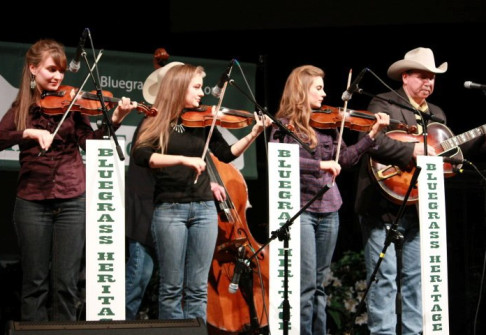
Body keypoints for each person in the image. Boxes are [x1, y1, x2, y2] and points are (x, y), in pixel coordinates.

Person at [0, 39, 135, 321]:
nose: (57, 76)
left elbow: (90, 141)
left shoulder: (73, 103)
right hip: (32, 200)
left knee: (66, 283)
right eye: (51, 69)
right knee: (35, 283)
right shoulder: (22, 108)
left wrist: (114, 119)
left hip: (71, 199)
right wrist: (28, 133)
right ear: (33, 69)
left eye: (61, 71)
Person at [132, 63, 271, 321]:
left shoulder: (202, 120)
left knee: (197, 290)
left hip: (204, 209)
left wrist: (254, 133)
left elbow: (225, 154)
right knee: (171, 289)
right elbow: (142, 156)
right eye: (196, 87)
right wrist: (184, 160)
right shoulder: (155, 119)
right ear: (178, 87)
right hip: (170, 209)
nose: (201, 93)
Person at [268, 65, 389, 335]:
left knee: (320, 285)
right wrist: (320, 165)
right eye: (318, 88)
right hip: (301, 210)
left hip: (330, 208)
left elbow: (344, 160)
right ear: (301, 91)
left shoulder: (328, 124)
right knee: (305, 285)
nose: (324, 94)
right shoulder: (283, 127)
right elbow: (281, 160)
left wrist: (371, 135)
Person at [354, 47, 452, 334]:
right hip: (382, 204)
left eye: (432, 78)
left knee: (416, 278)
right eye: (422, 76)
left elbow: (447, 153)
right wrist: (413, 150)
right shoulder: (383, 102)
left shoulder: (438, 115)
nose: (429, 82)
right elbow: (371, 142)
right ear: (405, 76)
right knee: (383, 279)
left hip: (420, 208)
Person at [125, 61, 183, 320]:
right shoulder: (152, 122)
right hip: (149, 211)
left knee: (167, 282)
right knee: (139, 276)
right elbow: (143, 171)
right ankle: (119, 325)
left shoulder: (179, 125)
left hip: (169, 212)